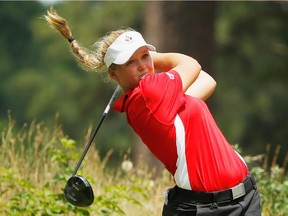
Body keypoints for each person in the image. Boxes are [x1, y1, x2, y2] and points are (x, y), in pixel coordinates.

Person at [45, 8, 262, 216]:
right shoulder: (150, 93)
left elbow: (207, 81)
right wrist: (153, 59)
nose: (142, 66)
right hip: (204, 209)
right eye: (130, 62)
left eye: (144, 57)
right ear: (113, 74)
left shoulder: (158, 99)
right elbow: (191, 64)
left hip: (244, 200)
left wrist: (139, 61)